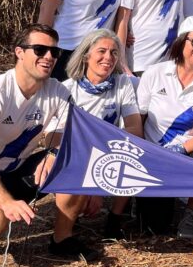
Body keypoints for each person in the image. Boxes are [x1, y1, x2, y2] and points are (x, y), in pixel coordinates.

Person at [0, 24, 99, 265]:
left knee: (73, 160)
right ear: (19, 52)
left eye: (54, 52)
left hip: (16, 170)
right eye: (40, 50)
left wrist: (54, 153)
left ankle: (62, 238)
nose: (48, 57)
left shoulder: (58, 92)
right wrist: (7, 203)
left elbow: (63, 136)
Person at [135, 17, 193, 239]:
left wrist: (180, 150)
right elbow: (137, 119)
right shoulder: (154, 73)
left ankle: (191, 212)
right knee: (154, 227)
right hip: (153, 153)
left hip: (188, 151)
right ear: (180, 42)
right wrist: (144, 152)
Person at [61, 29, 143, 239]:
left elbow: (135, 129)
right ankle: (71, 216)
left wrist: (98, 187)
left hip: (111, 151)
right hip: (78, 153)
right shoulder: (66, 89)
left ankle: (115, 219)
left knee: (134, 153)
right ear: (86, 56)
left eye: (114, 53)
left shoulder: (123, 83)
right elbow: (59, 137)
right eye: (102, 51)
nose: (108, 57)